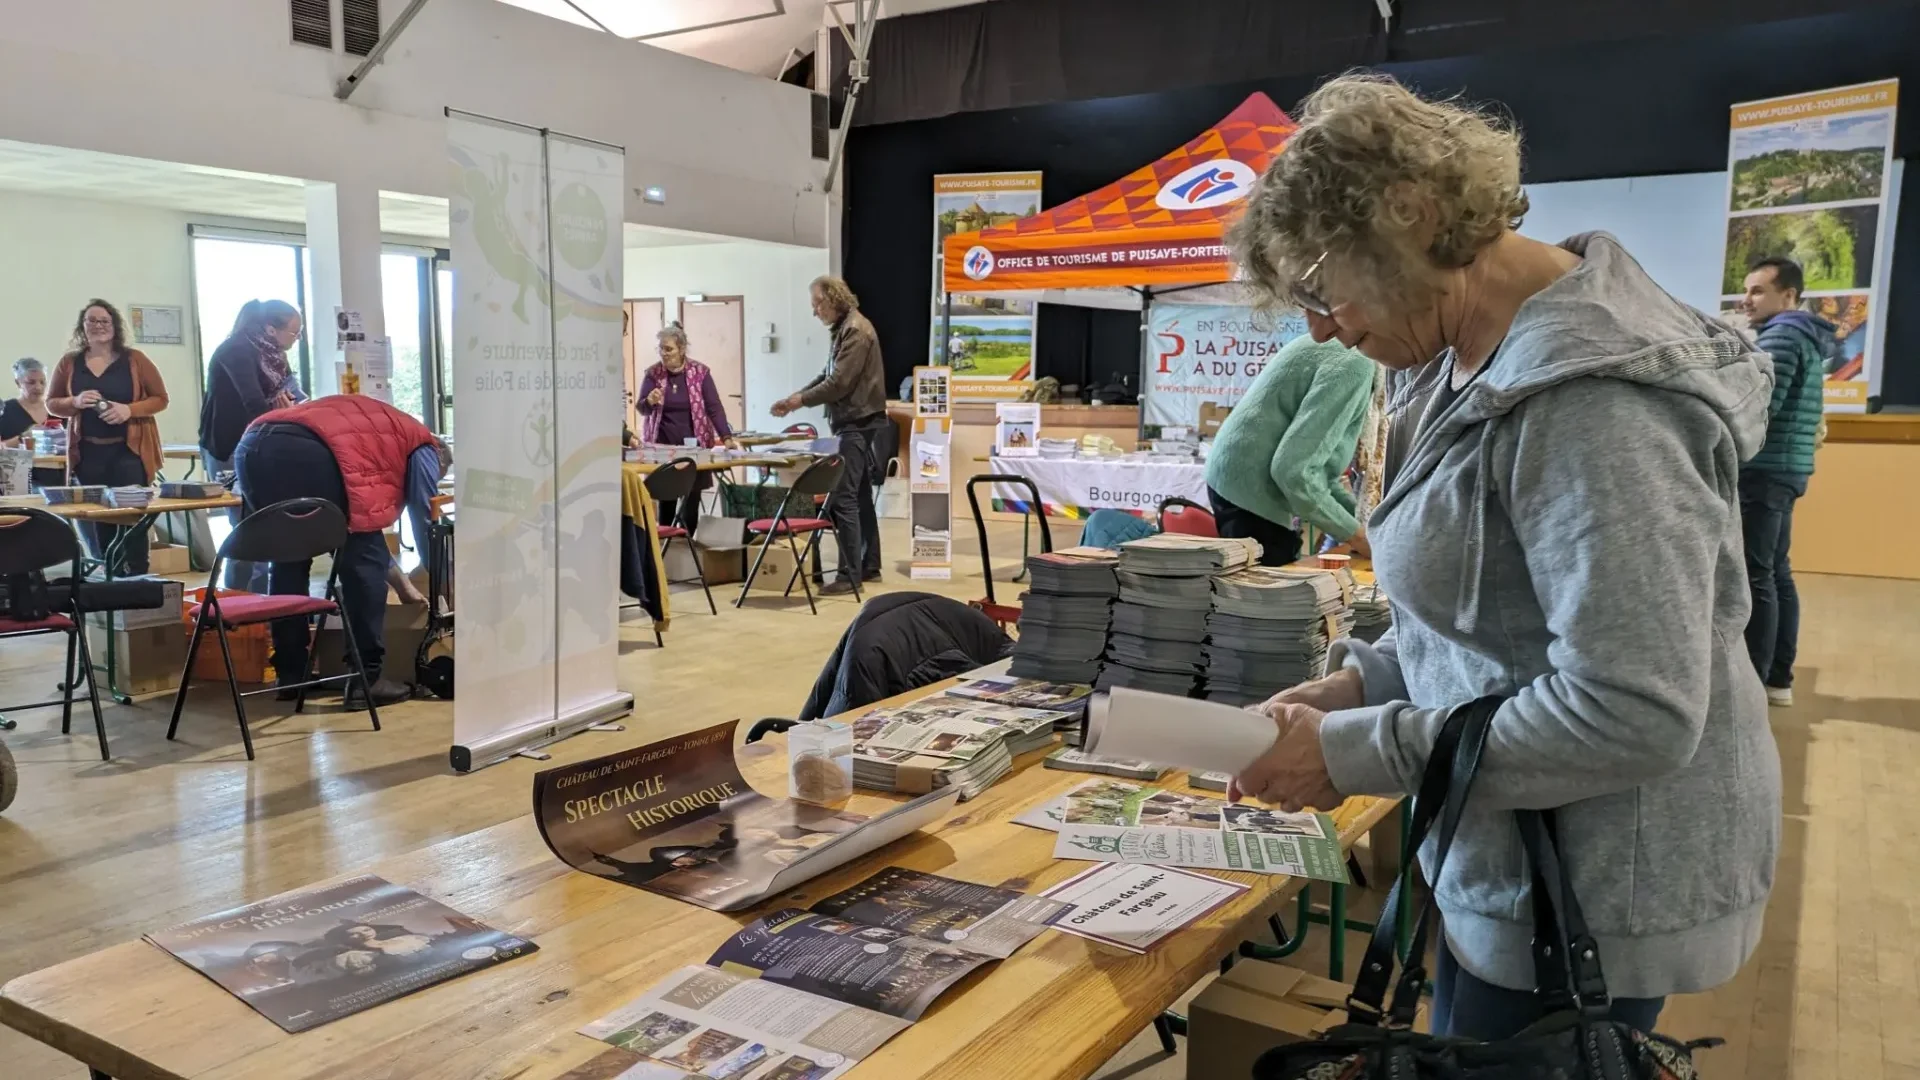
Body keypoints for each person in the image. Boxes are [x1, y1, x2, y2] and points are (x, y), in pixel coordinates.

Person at [1224, 74, 1779, 1040]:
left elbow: (1632, 710)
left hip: (1588, 894)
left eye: (1321, 287)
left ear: (1414, 221)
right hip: (1525, 856)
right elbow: (1500, 622)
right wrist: (1367, 686)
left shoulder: (1594, 404)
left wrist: (1360, 752)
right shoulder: (1459, 357)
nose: (1318, 325)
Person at [233, 393, 440, 708]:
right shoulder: (424, 446)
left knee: (289, 558)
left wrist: (404, 585)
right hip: (312, 452)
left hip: (253, 444)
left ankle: (292, 675)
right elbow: (426, 516)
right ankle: (366, 680)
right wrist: (440, 578)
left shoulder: (387, 429)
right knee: (362, 565)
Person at [1737, 257, 1829, 707]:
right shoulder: (1806, 335)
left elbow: (1757, 406)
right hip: (1787, 469)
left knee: (1757, 576)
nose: (1745, 299)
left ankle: (1754, 685)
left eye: (1757, 290)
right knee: (1775, 572)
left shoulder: (1782, 336)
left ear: (1788, 296)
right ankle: (1777, 677)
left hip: (1766, 471)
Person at [1204, 336, 1376, 566]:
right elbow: (1294, 472)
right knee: (1271, 592)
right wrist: (1358, 536)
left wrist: (1364, 524)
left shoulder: (1351, 354)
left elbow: (1318, 470)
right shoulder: (1355, 363)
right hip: (1250, 489)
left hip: (1235, 476)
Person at [771, 275, 890, 594]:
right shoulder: (845, 328)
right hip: (854, 422)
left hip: (857, 422)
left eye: (817, 304)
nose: (815, 312)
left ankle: (850, 577)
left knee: (843, 498)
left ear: (834, 298)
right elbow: (827, 375)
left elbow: (839, 384)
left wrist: (799, 400)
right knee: (860, 495)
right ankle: (870, 566)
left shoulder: (855, 330)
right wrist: (796, 398)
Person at [46, 300, 170, 575]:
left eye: (104, 321)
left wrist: (129, 410)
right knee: (97, 523)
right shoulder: (69, 362)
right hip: (87, 453)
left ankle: (138, 579)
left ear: (115, 327)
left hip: (129, 452)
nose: (98, 326)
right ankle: (110, 583)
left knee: (132, 521)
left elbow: (161, 399)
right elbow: (51, 403)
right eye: (92, 320)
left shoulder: (135, 359)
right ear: (83, 327)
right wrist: (75, 401)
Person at [200, 299, 307, 591]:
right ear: (271, 329)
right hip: (228, 446)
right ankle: (241, 608)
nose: (297, 340)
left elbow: (294, 394)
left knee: (265, 527)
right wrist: (282, 411)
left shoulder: (274, 356)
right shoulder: (236, 350)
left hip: (260, 445)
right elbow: (253, 403)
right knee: (248, 531)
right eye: (294, 334)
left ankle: (262, 611)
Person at [636, 323, 739, 530]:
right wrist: (649, 401)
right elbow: (642, 408)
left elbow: (714, 408)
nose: (664, 354)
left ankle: (688, 544)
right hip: (663, 448)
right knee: (666, 500)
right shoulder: (653, 374)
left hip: (694, 449)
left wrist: (726, 438)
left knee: (691, 501)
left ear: (682, 349)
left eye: (669, 349)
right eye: (661, 349)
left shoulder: (700, 373)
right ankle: (667, 547)